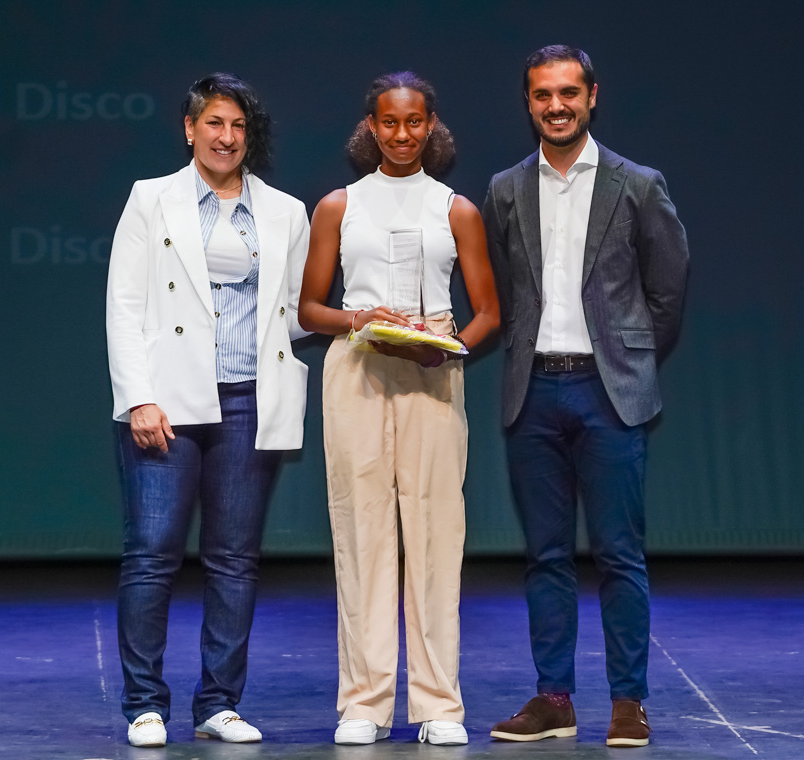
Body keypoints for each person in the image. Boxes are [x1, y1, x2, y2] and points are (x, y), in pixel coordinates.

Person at [482, 45, 689, 748]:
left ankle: (628, 701)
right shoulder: (507, 189)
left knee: (619, 555)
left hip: (608, 396)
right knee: (545, 556)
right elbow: (503, 293)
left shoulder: (638, 184)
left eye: (569, 92)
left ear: (593, 96)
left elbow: (667, 292)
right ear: (529, 103)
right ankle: (554, 698)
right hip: (533, 392)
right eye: (543, 95)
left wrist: (626, 360)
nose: (557, 105)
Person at [105, 73, 311, 748]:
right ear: (190, 129)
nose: (226, 138)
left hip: (250, 398)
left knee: (233, 559)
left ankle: (219, 702)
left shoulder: (284, 211)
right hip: (167, 400)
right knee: (153, 554)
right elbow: (125, 305)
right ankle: (145, 704)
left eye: (238, 127)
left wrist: (368, 320)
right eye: (214, 124)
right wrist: (138, 396)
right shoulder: (152, 200)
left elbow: (296, 313)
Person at [298, 71, 499, 747]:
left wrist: (448, 349)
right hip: (357, 362)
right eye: (389, 122)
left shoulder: (456, 209)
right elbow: (308, 308)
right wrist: (357, 316)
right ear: (371, 126)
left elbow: (488, 313)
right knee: (361, 532)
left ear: (432, 124)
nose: (402, 133)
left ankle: (440, 705)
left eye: (414, 122)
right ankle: (364, 702)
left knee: (437, 533)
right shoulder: (337, 206)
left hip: (432, 371)